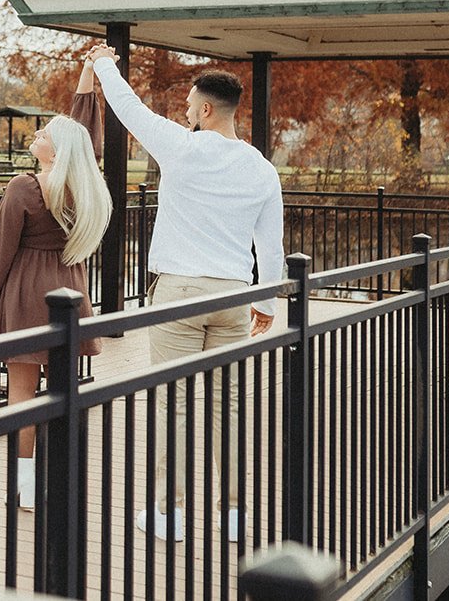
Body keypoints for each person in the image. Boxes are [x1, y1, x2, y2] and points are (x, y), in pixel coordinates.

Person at [87, 44, 284, 543]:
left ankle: (168, 515)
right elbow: (271, 246)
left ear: (206, 110)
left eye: (191, 106)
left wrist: (104, 61)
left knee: (170, 403)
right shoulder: (262, 169)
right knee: (230, 406)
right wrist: (265, 303)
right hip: (233, 296)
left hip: (179, 292)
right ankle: (234, 515)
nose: (186, 113)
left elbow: (128, 107)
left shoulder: (181, 145)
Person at [0, 64, 112, 510]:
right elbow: (87, 138)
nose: (38, 134)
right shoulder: (83, 187)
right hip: (69, 289)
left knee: (21, 397)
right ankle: (61, 476)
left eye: (45, 133)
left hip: (27, 292)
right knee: (62, 391)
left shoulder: (25, 188)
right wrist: (88, 78)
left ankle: (25, 485)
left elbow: (0, 248)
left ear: (56, 150)